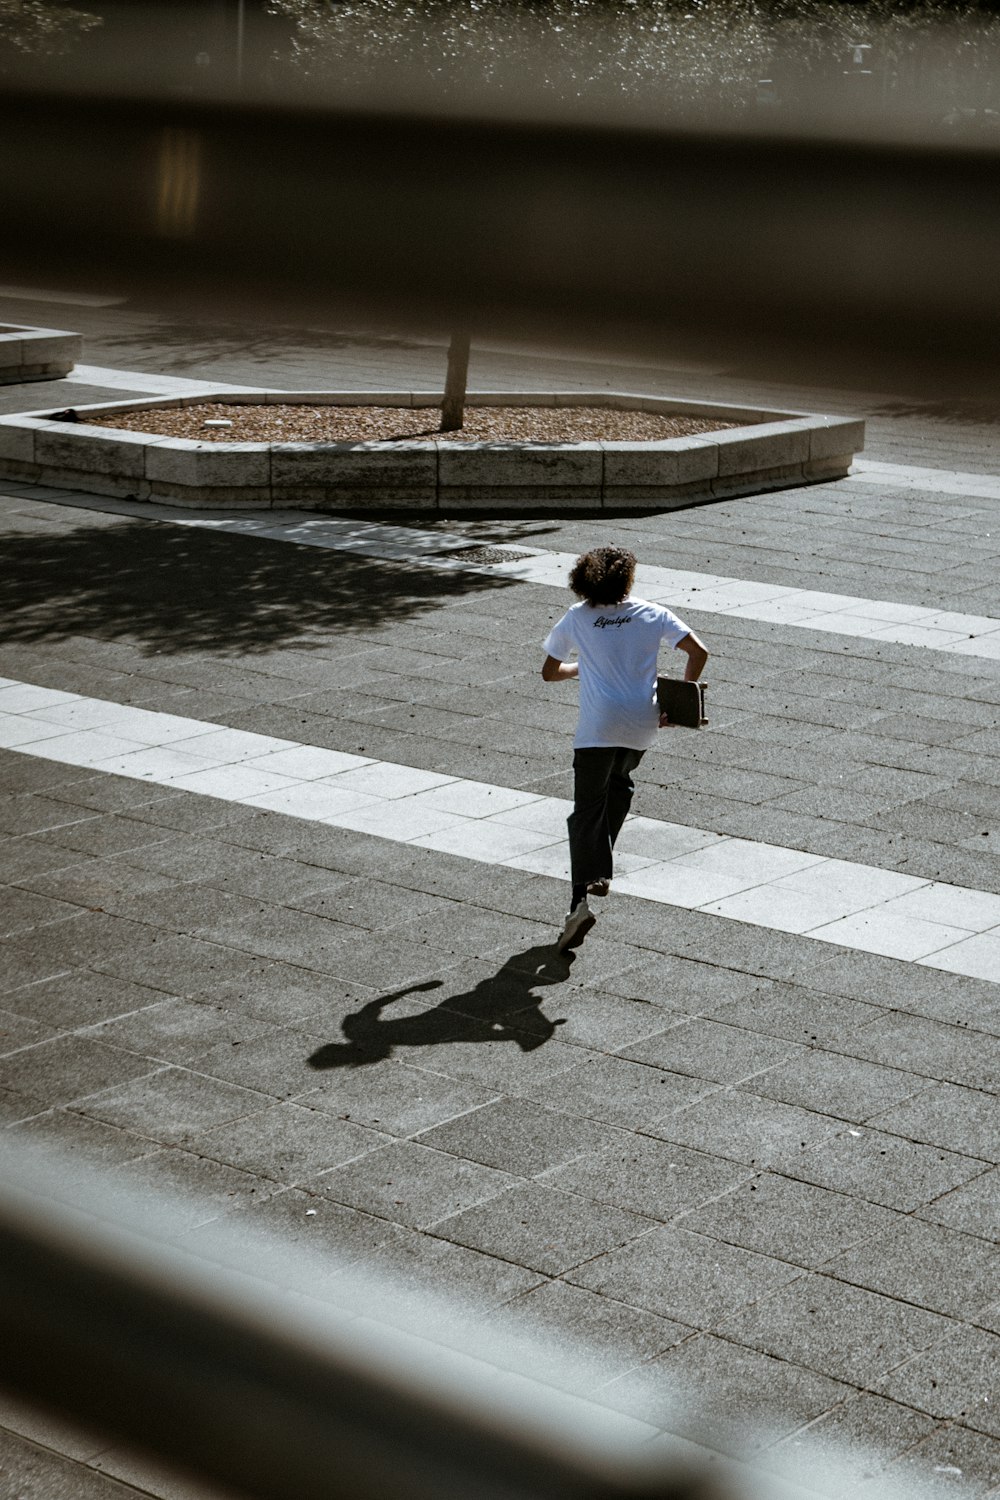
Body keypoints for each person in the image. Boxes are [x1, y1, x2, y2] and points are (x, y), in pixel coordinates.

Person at [541, 545, 708, 951]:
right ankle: (599, 874)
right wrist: (679, 699)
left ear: (583, 580)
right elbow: (698, 651)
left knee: (585, 814)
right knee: (620, 786)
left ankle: (581, 901)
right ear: (627, 579)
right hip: (642, 723)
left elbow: (550, 673)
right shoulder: (652, 613)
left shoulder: (577, 618)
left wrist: (584, 665)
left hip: (599, 727)